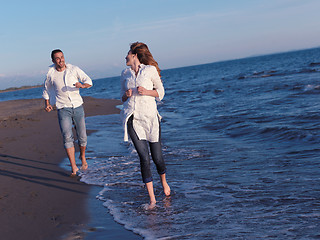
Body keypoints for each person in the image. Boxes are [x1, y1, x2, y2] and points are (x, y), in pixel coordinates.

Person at [120, 42, 170, 209]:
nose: (125, 57)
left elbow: (160, 93)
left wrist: (146, 92)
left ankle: (163, 182)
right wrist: (126, 95)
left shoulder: (150, 70)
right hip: (133, 118)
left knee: (157, 158)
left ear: (135, 55)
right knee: (143, 157)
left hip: (150, 119)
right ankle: (152, 199)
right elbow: (121, 97)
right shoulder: (125, 73)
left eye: (127, 53)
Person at [42, 49, 93, 176]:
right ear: (53, 61)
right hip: (62, 108)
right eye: (58, 58)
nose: (61, 60)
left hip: (77, 106)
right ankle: (74, 166)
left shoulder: (74, 69)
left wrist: (82, 85)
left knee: (82, 136)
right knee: (67, 137)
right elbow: (46, 90)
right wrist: (47, 104)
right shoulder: (51, 74)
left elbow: (89, 82)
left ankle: (82, 156)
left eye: (62, 57)